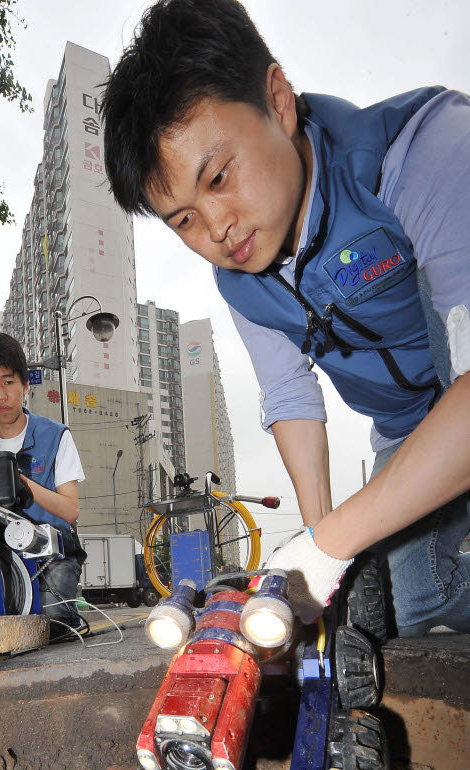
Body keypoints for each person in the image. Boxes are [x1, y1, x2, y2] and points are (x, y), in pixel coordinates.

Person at [101, 0, 470, 635]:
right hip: (410, 431)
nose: (217, 228)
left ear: (278, 100)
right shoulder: (241, 279)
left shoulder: (423, 151)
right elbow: (289, 394)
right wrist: (320, 559)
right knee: (399, 601)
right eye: (183, 219)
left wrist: (332, 543)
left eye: (218, 176)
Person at [0, 332, 86, 636]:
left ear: (25, 384)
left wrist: (22, 483)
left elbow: (70, 511)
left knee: (51, 623)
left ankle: (68, 624)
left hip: (52, 554)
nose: (0, 396)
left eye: (8, 382)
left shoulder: (56, 436)